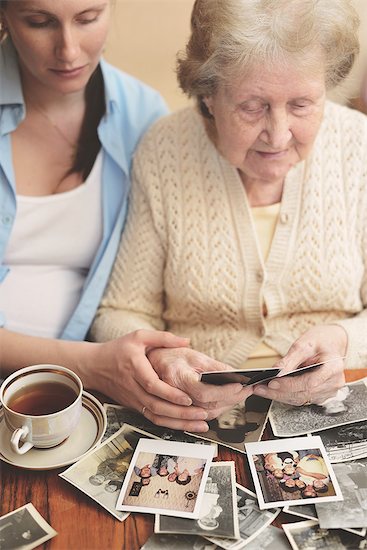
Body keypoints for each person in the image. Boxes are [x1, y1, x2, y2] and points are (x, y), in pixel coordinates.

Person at [91, 0, 367, 417]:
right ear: (208, 96)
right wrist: (161, 359)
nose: (277, 135)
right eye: (252, 106)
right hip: (196, 416)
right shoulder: (166, 151)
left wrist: (345, 340)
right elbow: (118, 312)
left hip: (333, 407)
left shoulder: (357, 147)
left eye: (301, 104)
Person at [0, 0, 242, 433]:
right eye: (40, 23)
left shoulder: (142, 117)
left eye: (88, 18)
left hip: (86, 398)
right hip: (77, 374)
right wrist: (90, 365)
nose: (69, 51)